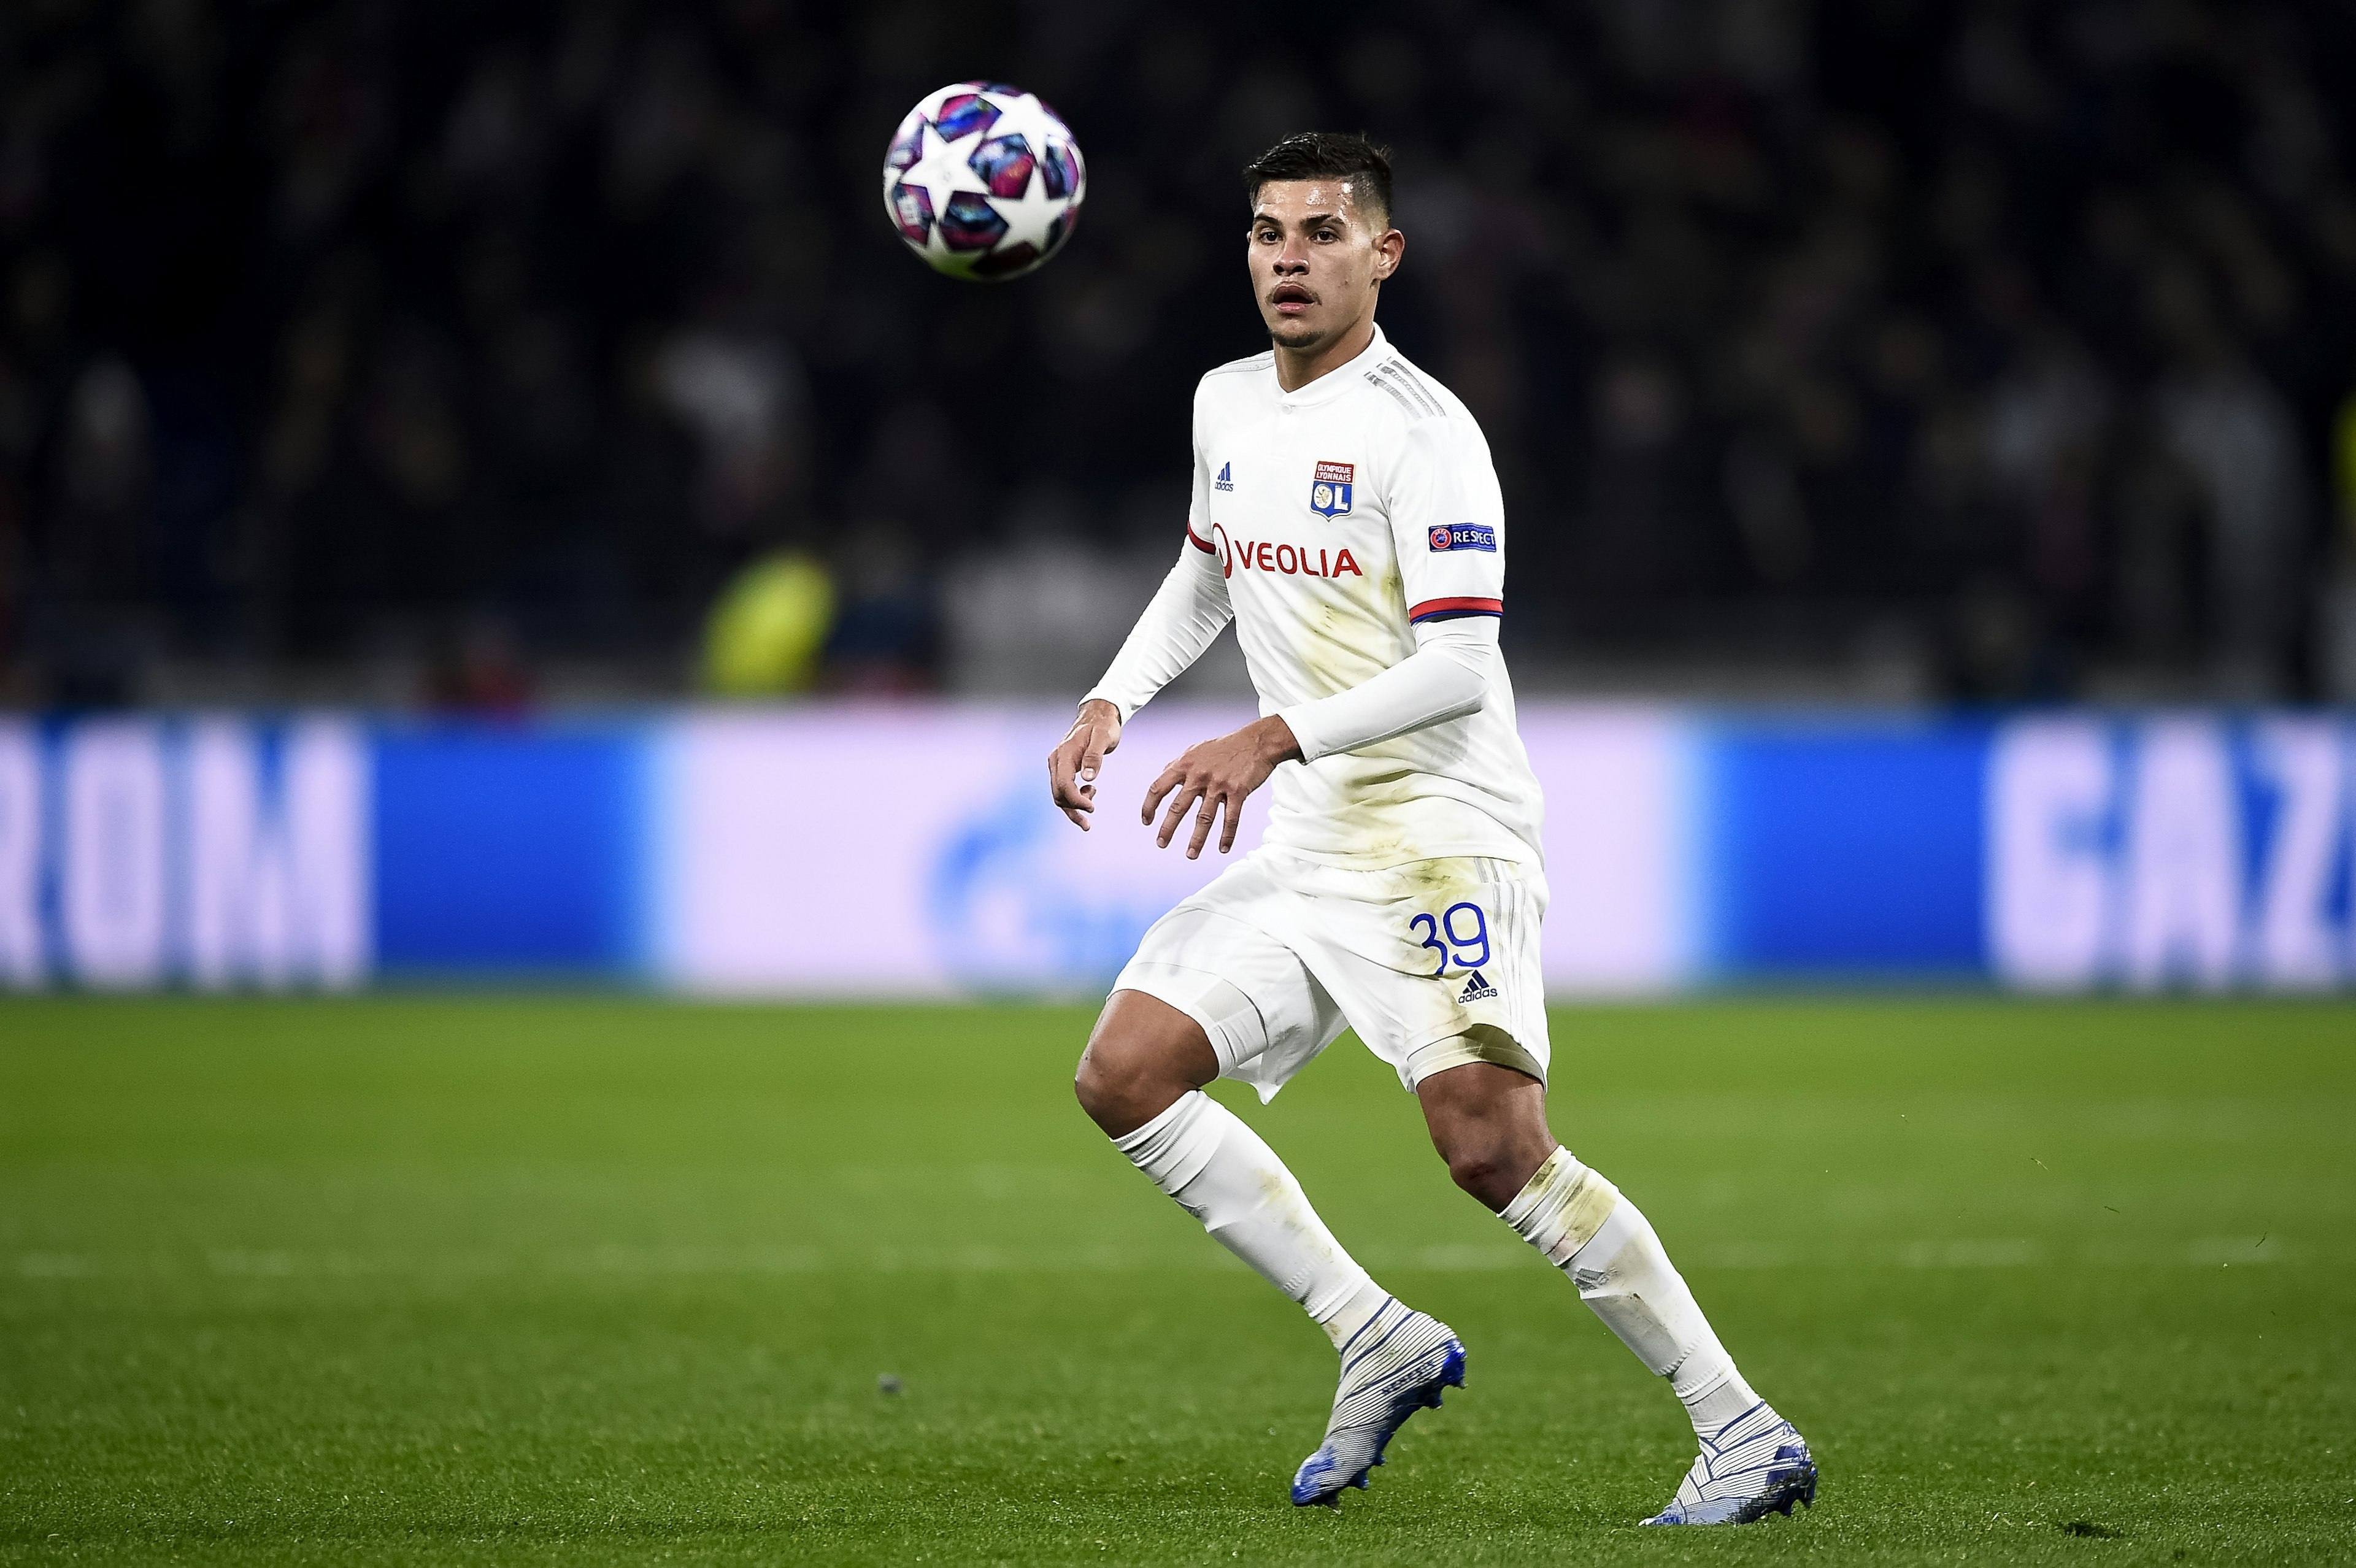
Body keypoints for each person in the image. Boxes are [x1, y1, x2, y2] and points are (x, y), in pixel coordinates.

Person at [1044, 131, 1817, 1526]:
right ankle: (1372, 1333)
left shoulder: (1425, 435)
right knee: (1126, 1073)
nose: (1291, 258)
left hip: (1438, 832)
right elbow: (1204, 574)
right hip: (1314, 843)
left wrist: (1269, 733)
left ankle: (1740, 1428)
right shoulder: (1227, 403)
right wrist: (1113, 700)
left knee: (1489, 1148)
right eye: (1270, 234)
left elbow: (1458, 665)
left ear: (1383, 255)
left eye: (1325, 234)